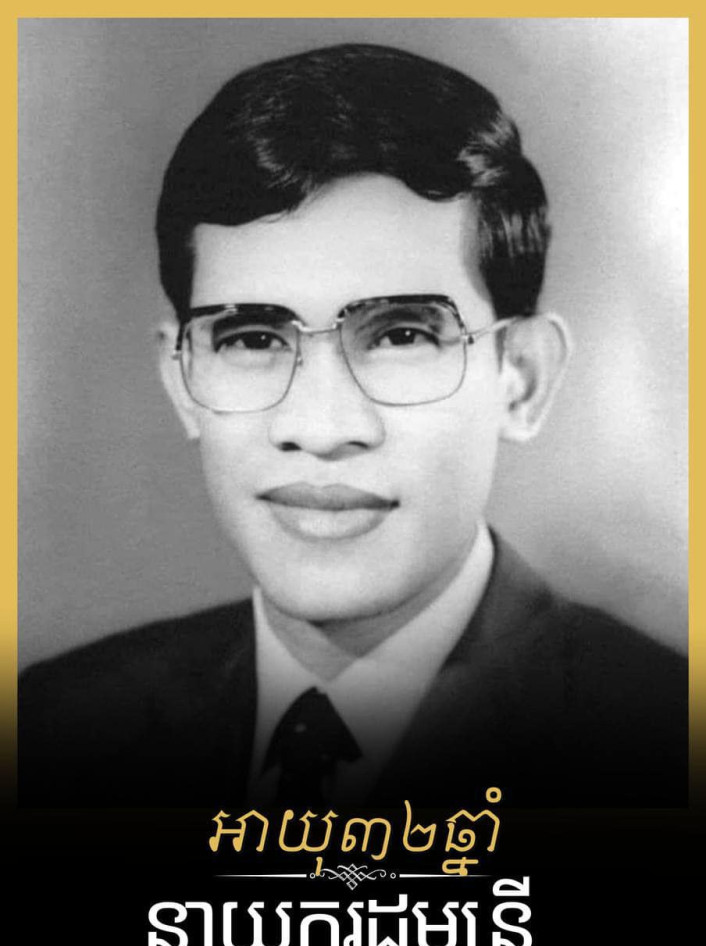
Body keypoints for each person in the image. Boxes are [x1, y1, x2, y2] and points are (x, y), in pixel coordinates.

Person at [19, 43, 686, 809]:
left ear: (522, 379)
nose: (322, 427)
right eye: (251, 339)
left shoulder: (664, 744)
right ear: (182, 381)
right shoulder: (55, 732)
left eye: (402, 334)